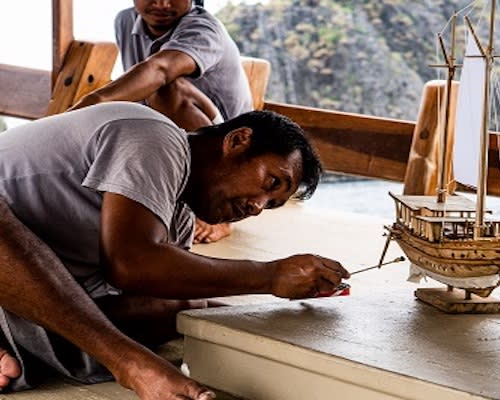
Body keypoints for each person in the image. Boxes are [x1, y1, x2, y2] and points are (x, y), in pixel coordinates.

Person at [0, 102, 350, 399]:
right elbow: (131, 265)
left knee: (186, 309)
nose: (258, 207)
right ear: (238, 141)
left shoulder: (178, 219)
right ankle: (130, 365)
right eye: (271, 183)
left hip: (15, 302)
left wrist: (269, 318)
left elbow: (141, 291)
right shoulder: (155, 136)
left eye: (272, 205)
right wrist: (270, 275)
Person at [71, 0, 254, 243]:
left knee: (165, 87)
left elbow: (160, 70)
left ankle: (218, 217)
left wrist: (91, 103)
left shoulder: (203, 29)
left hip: (229, 148)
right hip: (172, 132)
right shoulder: (125, 21)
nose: (162, 3)